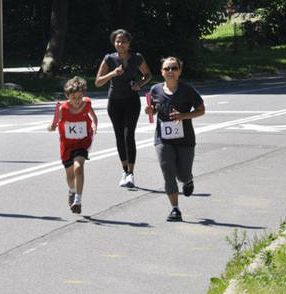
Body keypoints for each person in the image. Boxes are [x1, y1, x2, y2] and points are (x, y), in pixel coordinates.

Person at [144, 57, 205, 222]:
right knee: (168, 172)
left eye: (174, 68)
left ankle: (188, 180)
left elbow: (201, 110)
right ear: (161, 72)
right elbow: (154, 109)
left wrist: (183, 116)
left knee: (183, 175)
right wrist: (150, 111)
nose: (170, 71)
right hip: (163, 139)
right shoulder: (155, 89)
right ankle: (175, 209)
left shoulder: (187, 90)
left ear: (179, 71)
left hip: (185, 140)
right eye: (167, 68)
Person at [95, 29, 152, 188]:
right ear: (114, 43)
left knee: (129, 136)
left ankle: (131, 174)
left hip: (131, 101)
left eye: (124, 42)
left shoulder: (137, 58)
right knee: (119, 136)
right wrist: (113, 73)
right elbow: (98, 82)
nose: (120, 44)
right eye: (118, 41)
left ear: (129, 43)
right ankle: (124, 170)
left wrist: (140, 84)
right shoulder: (109, 59)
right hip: (114, 102)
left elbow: (147, 75)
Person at [48, 76, 98, 214]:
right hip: (67, 144)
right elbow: (53, 125)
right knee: (70, 175)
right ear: (67, 96)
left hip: (83, 142)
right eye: (74, 97)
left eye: (79, 97)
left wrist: (94, 125)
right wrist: (51, 127)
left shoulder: (87, 104)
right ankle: (72, 190)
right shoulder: (62, 109)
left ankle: (78, 200)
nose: (77, 101)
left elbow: (93, 117)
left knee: (79, 168)